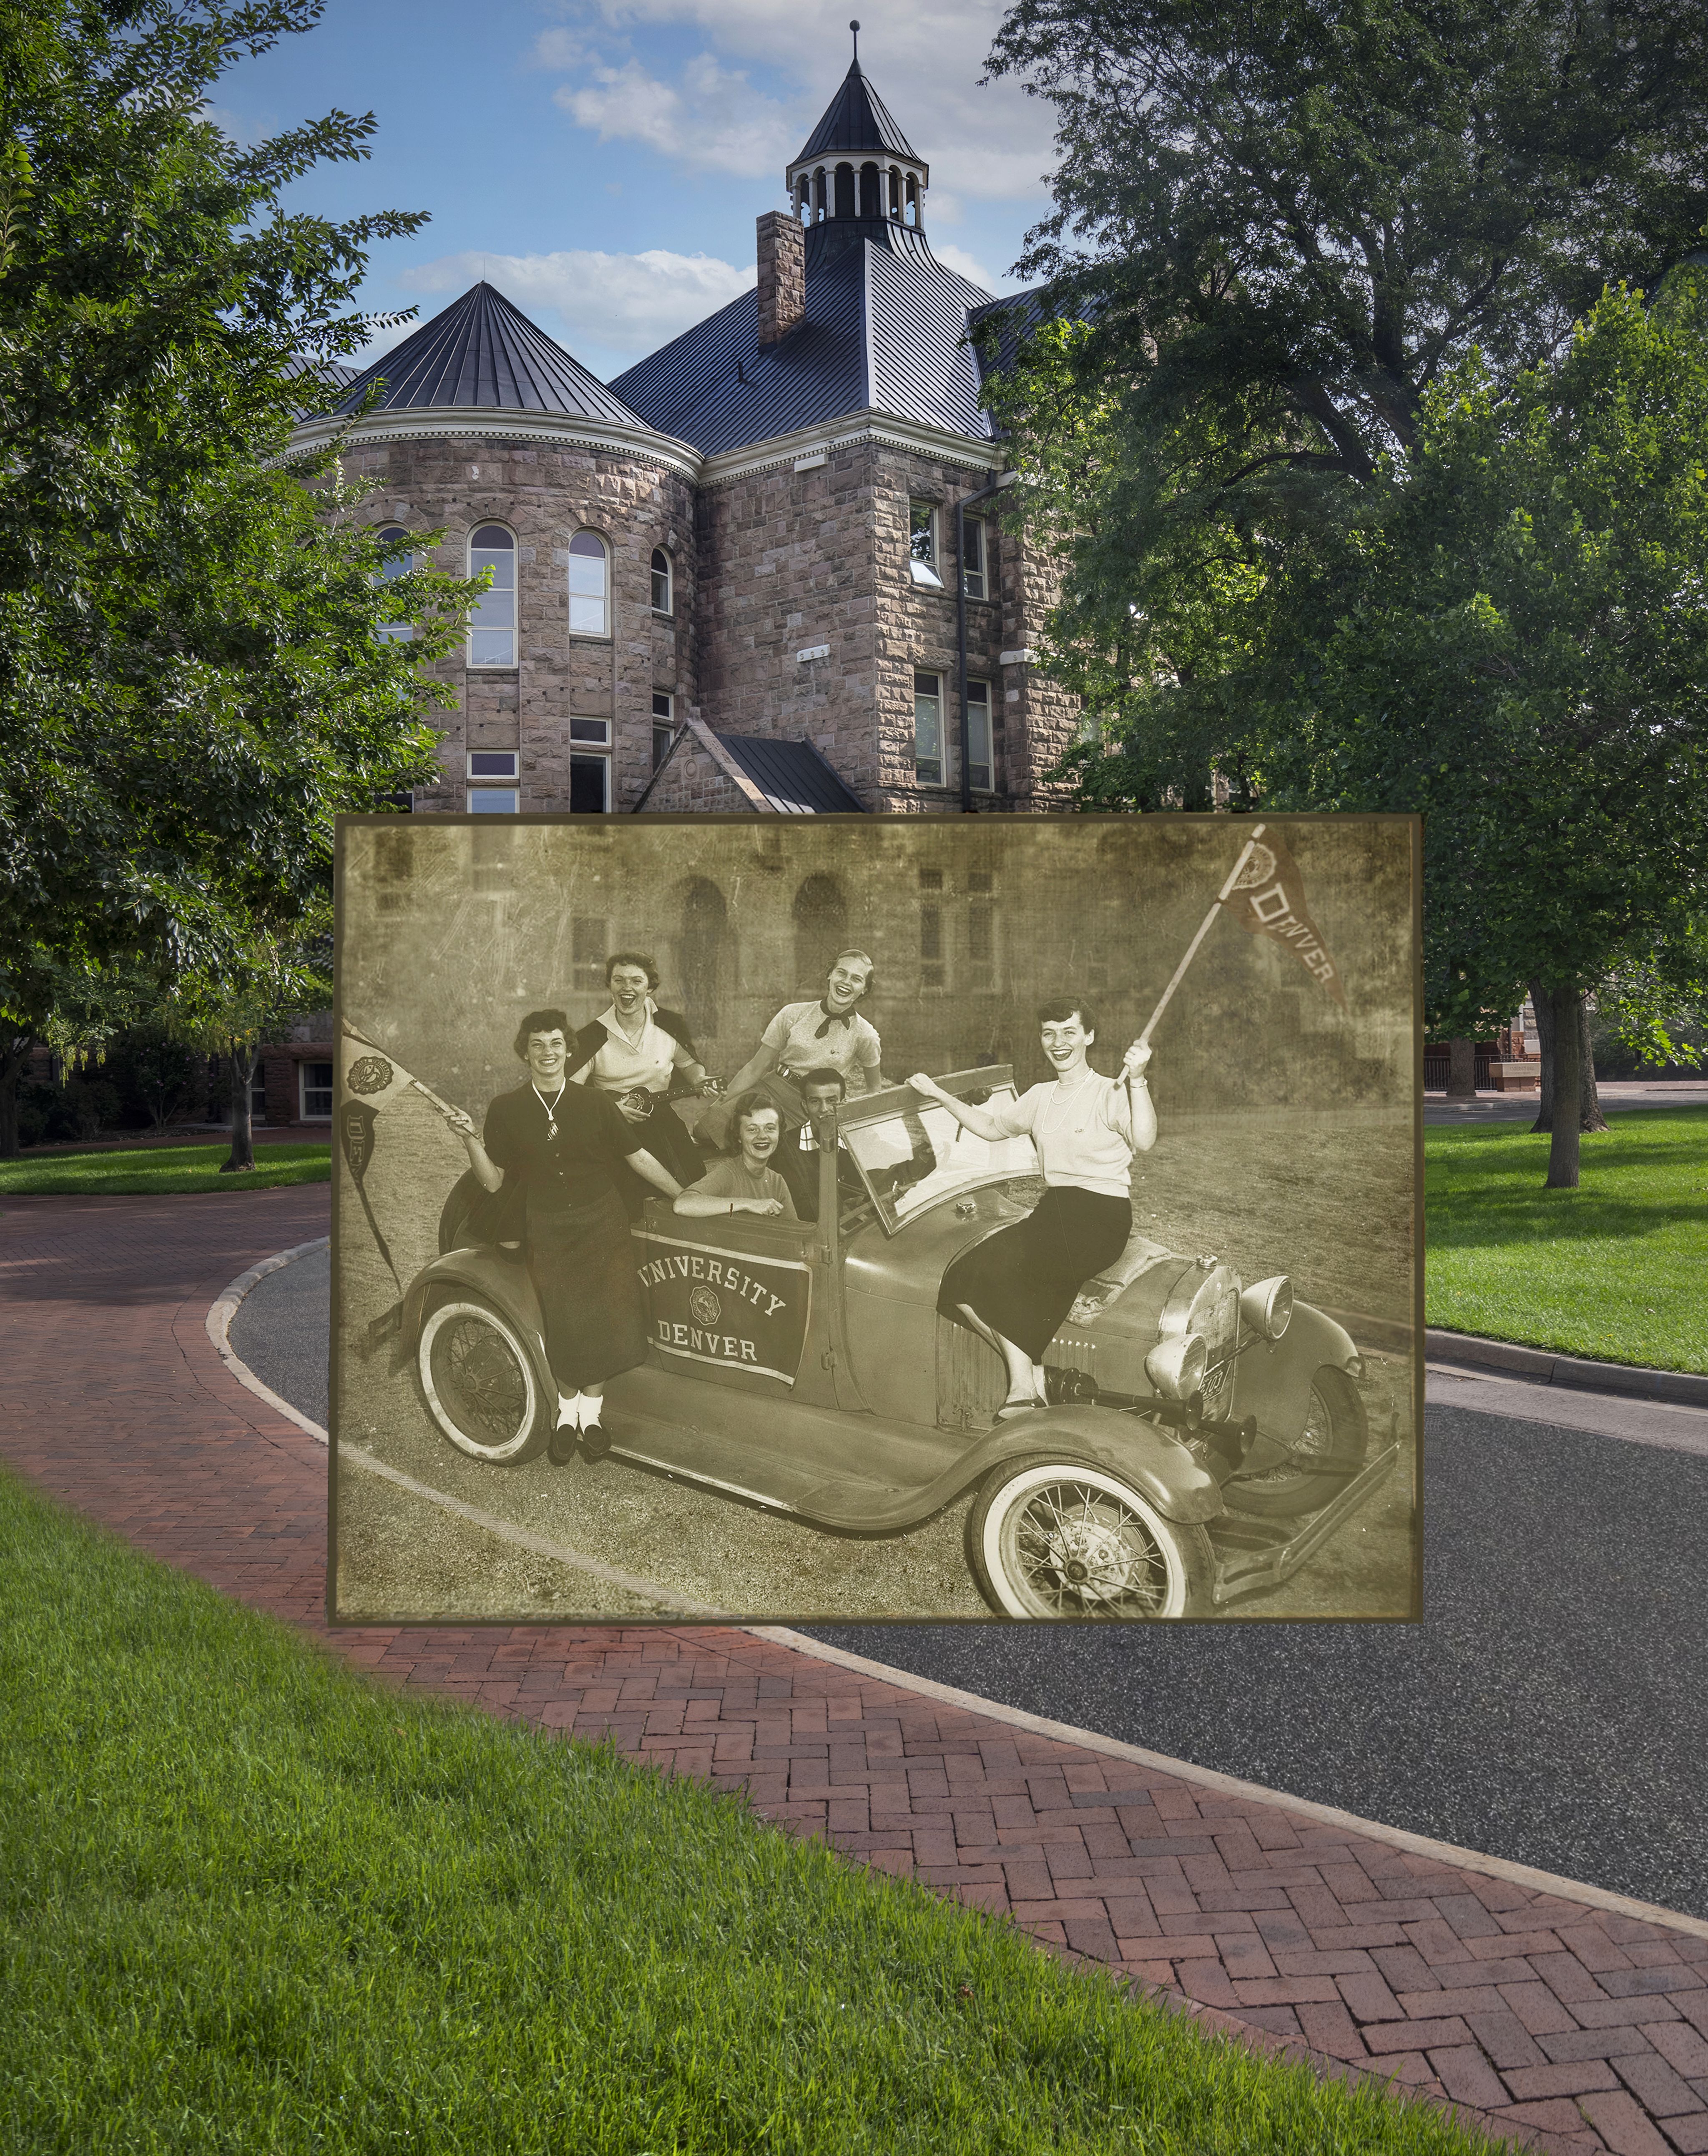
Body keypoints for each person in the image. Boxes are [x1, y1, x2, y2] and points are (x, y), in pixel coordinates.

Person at [443, 1009, 686, 1463]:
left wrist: (682, 1196)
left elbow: (637, 1157)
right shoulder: (507, 1109)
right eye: (538, 1045)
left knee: (606, 1318)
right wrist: (468, 1139)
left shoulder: (595, 1104)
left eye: (556, 1043)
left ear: (569, 1049)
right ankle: (565, 1415)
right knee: (565, 1318)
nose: (548, 1053)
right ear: (525, 1052)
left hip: (602, 1221)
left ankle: (590, 1418)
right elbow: (494, 1182)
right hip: (548, 1225)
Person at [908, 998, 1155, 1424]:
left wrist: (1137, 1080)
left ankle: (1022, 1389)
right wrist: (936, 1094)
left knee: (1021, 1274)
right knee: (960, 1282)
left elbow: (1145, 1139)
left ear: (1089, 1037)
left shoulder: (1109, 1091)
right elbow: (988, 1128)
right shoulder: (1040, 1097)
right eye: (1049, 1034)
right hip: (1055, 1209)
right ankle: (1032, 1372)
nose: (1058, 1043)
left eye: (1068, 1032)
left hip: (1101, 1215)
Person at [566, 949, 717, 1207]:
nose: (628, 988)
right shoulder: (592, 1036)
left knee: (690, 1178)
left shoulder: (669, 1023)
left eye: (637, 981)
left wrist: (700, 1078)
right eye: (619, 980)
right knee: (630, 1196)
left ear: (650, 987)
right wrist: (611, 1110)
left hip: (661, 1118)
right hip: (612, 1124)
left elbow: (689, 1064)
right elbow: (569, 1093)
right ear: (609, 985)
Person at [706, 949, 883, 1146]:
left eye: (857, 979)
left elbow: (874, 1089)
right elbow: (755, 1067)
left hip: (811, 1107)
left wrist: (853, 1124)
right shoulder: (793, 1013)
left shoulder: (865, 1035)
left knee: (775, 1151)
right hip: (771, 1090)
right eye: (842, 973)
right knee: (706, 1128)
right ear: (830, 974)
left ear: (864, 989)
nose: (846, 982)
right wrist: (719, 1103)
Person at [673, 1093, 797, 1219]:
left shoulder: (777, 1181)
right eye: (752, 1129)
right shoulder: (729, 1173)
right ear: (739, 1136)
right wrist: (748, 1204)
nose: (762, 1136)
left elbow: (795, 1229)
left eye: (770, 1128)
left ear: (779, 1134)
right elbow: (682, 1204)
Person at [771, 1066, 865, 1222]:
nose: (824, 1109)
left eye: (831, 1101)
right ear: (805, 1106)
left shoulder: (859, 1140)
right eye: (815, 1101)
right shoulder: (783, 1149)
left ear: (843, 1102)